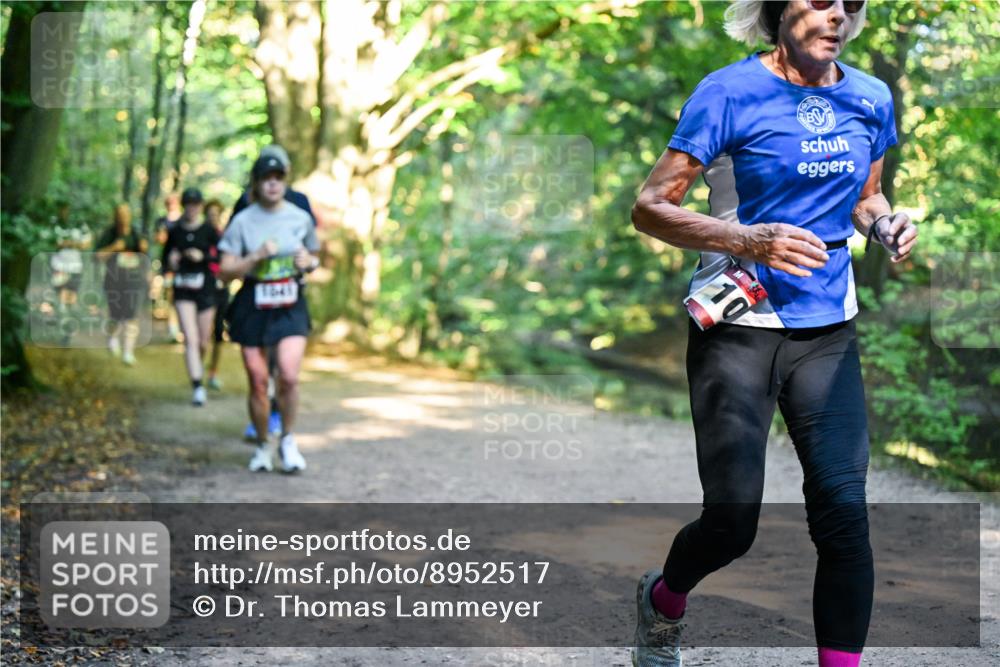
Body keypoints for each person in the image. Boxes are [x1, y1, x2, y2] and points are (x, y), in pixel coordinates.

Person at [628, 2, 918, 666]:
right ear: (775, 9)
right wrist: (745, 237)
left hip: (828, 333)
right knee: (732, 524)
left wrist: (885, 223)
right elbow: (650, 206)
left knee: (845, 517)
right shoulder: (728, 91)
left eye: (849, 2)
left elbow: (866, 195)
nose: (836, 13)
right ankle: (664, 598)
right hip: (736, 329)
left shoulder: (870, 97)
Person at [218, 154, 321, 473]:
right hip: (252, 304)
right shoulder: (243, 221)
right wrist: (255, 257)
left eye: (279, 177)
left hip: (290, 303)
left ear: (285, 181)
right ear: (257, 183)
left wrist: (309, 262)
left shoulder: (300, 217)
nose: (273, 183)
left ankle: (288, 441)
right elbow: (224, 271)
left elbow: (314, 255)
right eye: (267, 177)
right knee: (258, 380)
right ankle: (263, 445)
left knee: (288, 376)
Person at [161, 187, 220, 406]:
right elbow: (165, 257)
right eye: (189, 204)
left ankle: (199, 368)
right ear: (184, 205)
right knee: (191, 338)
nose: (193, 208)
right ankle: (197, 385)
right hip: (183, 288)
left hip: (205, 289)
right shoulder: (175, 230)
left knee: (203, 341)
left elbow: (220, 257)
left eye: (196, 204)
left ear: (201, 206)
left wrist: (202, 256)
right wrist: (172, 260)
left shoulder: (209, 230)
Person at [96, 204, 149, 366]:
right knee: (116, 316)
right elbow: (97, 256)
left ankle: (128, 352)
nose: (123, 217)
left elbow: (145, 255)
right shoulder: (109, 234)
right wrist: (114, 248)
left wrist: (143, 249)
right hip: (113, 281)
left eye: (126, 213)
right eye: (120, 214)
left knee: (132, 315)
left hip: (134, 281)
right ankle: (112, 338)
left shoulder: (136, 233)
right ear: (115, 216)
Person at [203, 199, 229, 391]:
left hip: (221, 288)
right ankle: (198, 369)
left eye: (216, 214)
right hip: (203, 289)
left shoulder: (226, 237)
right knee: (202, 335)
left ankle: (213, 372)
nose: (213, 218)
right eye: (210, 214)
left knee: (218, 333)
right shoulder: (200, 235)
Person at [153, 192, 184, 343]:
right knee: (172, 295)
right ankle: (173, 329)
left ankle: (179, 327)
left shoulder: (184, 220)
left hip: (185, 265)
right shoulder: (161, 221)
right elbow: (158, 240)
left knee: (180, 296)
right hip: (168, 265)